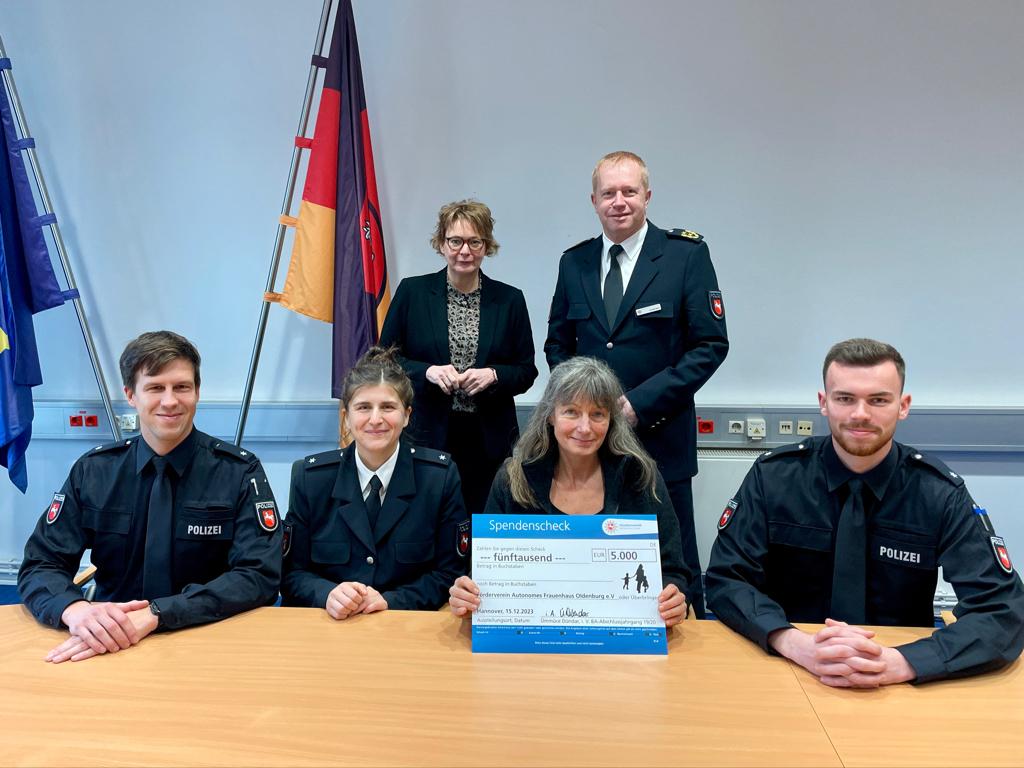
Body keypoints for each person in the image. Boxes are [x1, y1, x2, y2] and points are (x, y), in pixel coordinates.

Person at [706, 338, 1024, 686]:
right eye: (845, 399)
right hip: (789, 668)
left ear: (903, 406)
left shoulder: (938, 493)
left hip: (895, 677)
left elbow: (1003, 609)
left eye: (878, 400)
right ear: (823, 403)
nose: (860, 414)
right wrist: (791, 641)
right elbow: (727, 578)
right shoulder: (774, 478)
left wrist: (904, 662)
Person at [18, 331, 282, 663]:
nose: (170, 401)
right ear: (131, 395)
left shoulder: (239, 471)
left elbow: (259, 575)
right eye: (155, 388)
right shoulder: (95, 471)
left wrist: (159, 613)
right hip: (112, 642)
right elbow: (42, 563)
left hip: (208, 638)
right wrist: (75, 609)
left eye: (181, 387)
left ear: (197, 392)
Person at [544, 151, 728, 618]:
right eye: (609, 193)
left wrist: (638, 405)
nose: (619, 201)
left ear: (647, 196)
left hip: (660, 439)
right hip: (589, 445)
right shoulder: (574, 262)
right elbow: (558, 345)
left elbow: (709, 345)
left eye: (629, 191)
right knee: (594, 567)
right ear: (594, 201)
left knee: (676, 570)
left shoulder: (684, 256)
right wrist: (584, 406)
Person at [448, 357, 689, 627]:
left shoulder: (641, 477)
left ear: (611, 419)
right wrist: (467, 596)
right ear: (551, 415)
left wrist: (676, 597)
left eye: (597, 414)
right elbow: (483, 578)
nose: (585, 428)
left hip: (620, 641)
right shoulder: (512, 480)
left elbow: (674, 572)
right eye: (572, 412)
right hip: (532, 640)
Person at [282, 347, 468, 616]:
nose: (376, 419)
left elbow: (450, 573)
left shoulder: (439, 478)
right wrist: (326, 594)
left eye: (388, 407)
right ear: (346, 418)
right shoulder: (312, 479)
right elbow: (290, 572)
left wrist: (392, 601)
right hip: (331, 624)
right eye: (364, 407)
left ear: (407, 415)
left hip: (406, 625)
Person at [379, 200, 538, 515]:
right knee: (427, 520)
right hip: (427, 434)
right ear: (442, 244)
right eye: (456, 241)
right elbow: (384, 361)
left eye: (474, 242)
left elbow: (525, 370)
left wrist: (494, 375)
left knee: (483, 523)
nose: (465, 251)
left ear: (486, 246)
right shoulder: (412, 293)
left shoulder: (509, 300)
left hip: (488, 440)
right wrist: (427, 372)